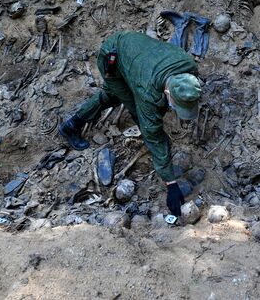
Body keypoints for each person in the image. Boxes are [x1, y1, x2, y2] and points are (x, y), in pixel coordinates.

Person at [58, 31, 201, 216]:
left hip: (135, 48)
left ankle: (74, 123)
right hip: (112, 57)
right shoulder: (148, 92)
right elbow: (153, 133)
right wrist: (171, 184)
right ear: (167, 92)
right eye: (177, 105)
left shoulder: (188, 67)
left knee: (121, 96)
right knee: (123, 99)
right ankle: (71, 126)